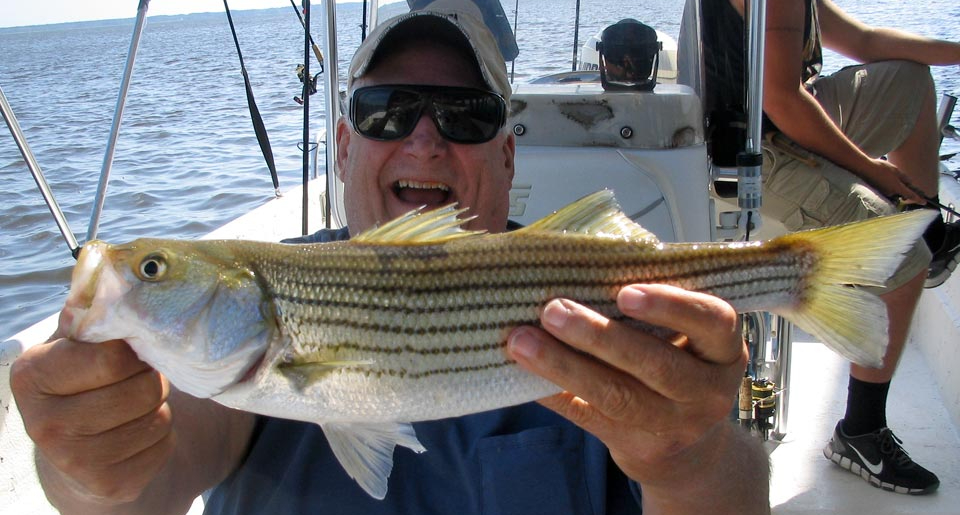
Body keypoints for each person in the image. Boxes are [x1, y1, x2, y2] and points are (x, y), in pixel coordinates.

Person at [10, 3, 771, 514]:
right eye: (387, 111)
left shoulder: (601, 306)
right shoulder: (280, 292)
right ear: (344, 147)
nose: (425, 140)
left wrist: (691, 456)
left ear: (508, 158)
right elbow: (156, 469)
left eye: (465, 116)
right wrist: (85, 463)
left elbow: (735, 493)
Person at [701, 0, 960, 495]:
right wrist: (872, 168)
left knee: (909, 81)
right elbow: (782, 98)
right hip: (756, 154)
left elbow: (864, 43)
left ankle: (923, 220)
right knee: (902, 256)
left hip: (780, 122)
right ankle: (859, 432)